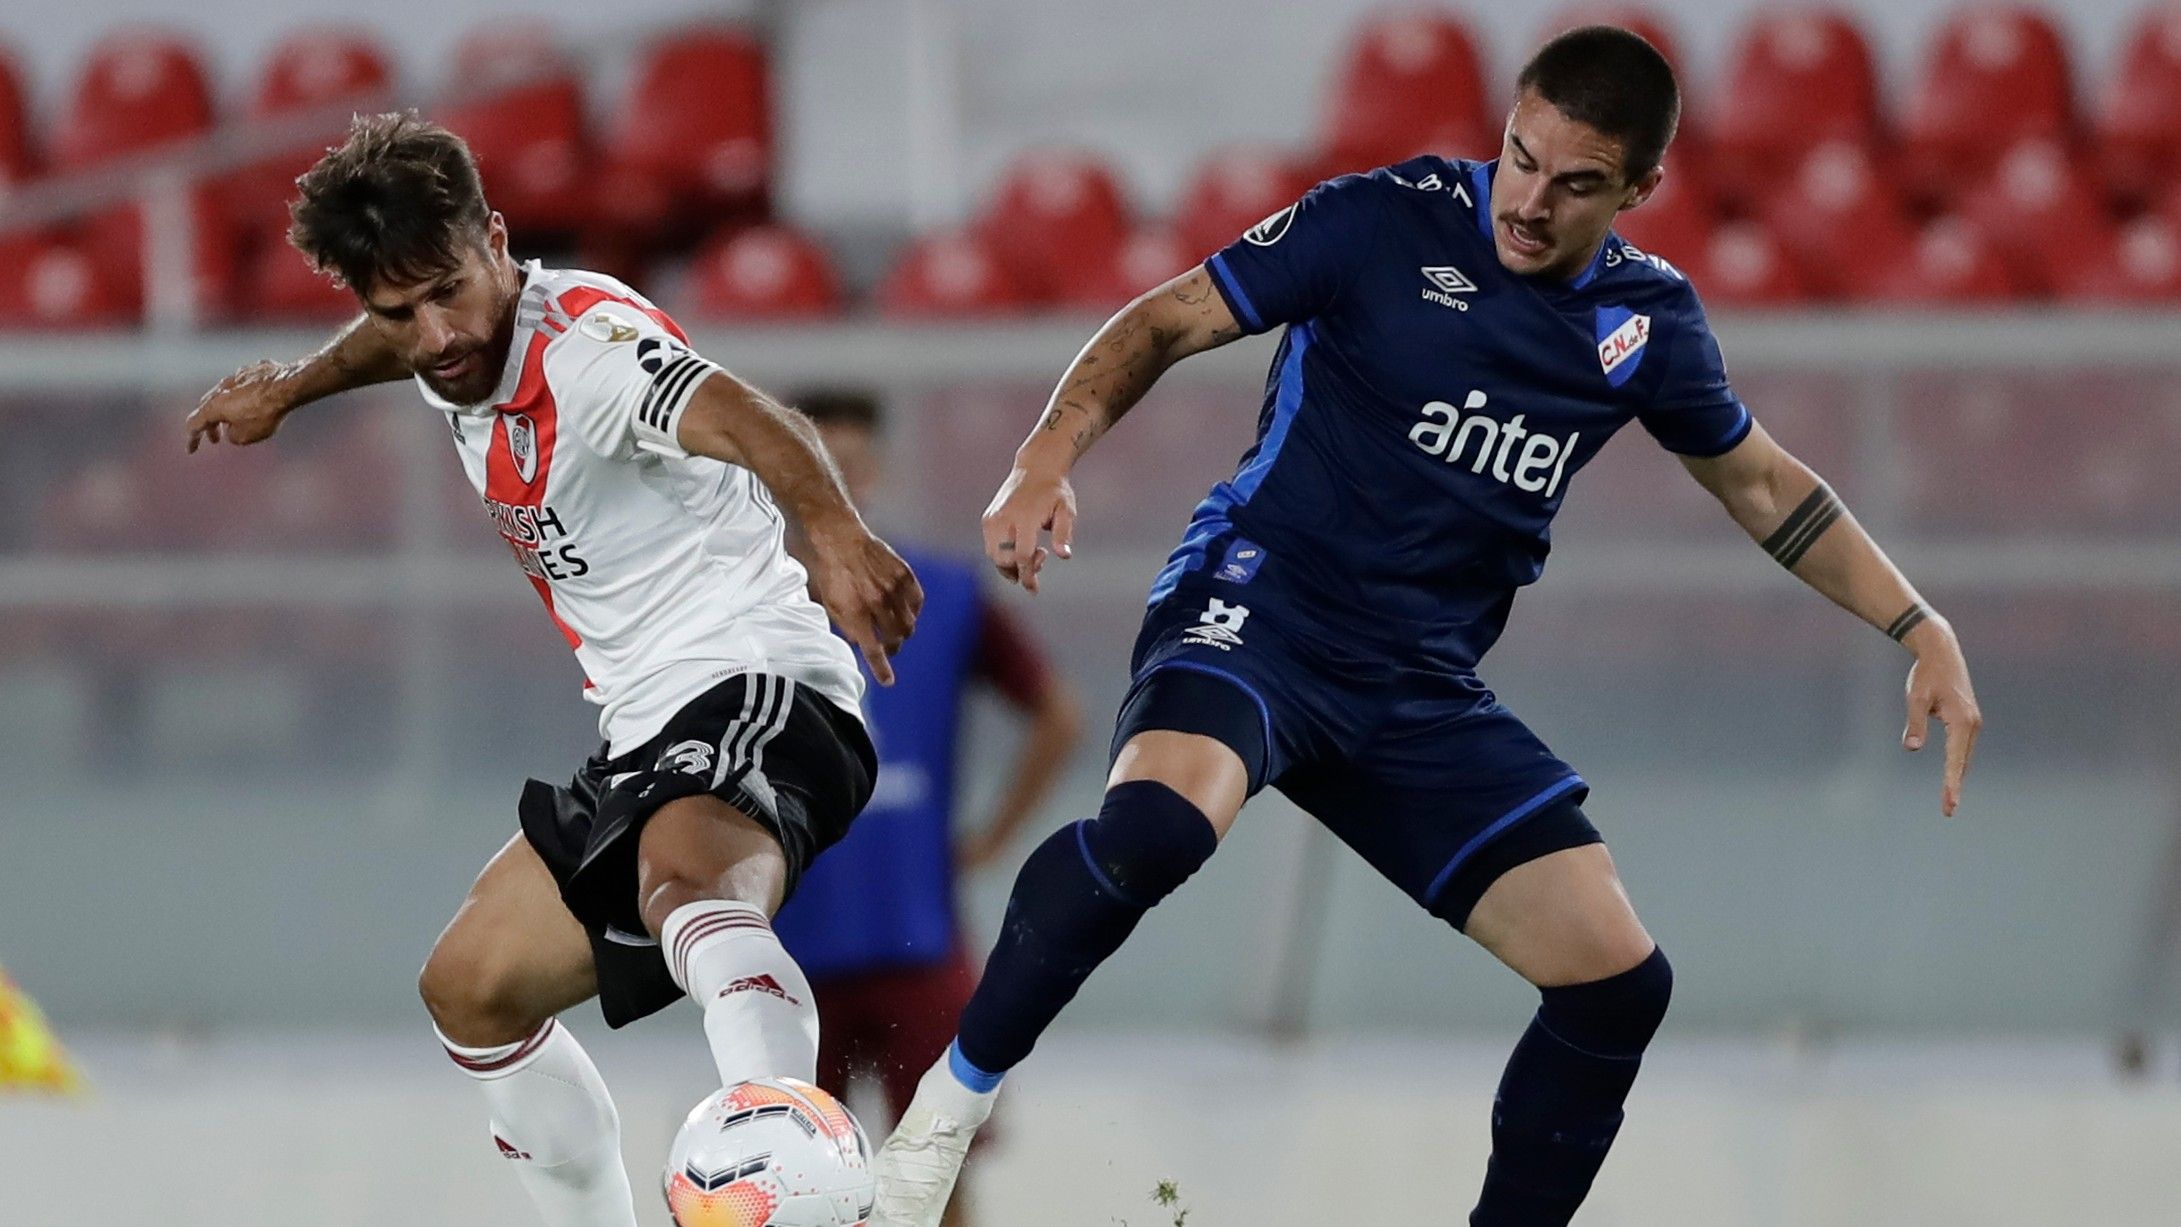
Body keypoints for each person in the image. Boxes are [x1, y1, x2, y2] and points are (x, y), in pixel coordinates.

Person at [868, 27, 1983, 1227]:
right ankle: (942, 1120)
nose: (1531, 200)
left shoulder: (1646, 326)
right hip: (1260, 602)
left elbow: (1763, 486)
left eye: (1576, 183)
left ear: (1640, 189)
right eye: (1520, 158)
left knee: (1616, 982)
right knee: (1157, 827)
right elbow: (1165, 321)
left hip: (1412, 686)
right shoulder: (1380, 220)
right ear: (1505, 125)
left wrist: (1919, 624)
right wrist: (1046, 455)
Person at [183, 112, 922, 1227]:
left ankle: (788, 1164)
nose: (434, 336)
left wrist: (833, 534)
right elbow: (398, 339)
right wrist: (291, 387)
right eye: (400, 309)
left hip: (758, 684)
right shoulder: (437, 331)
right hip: (644, 729)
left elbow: (755, 421)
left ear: (497, 235)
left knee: (688, 883)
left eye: (447, 290)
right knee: (472, 989)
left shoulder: (588, 346)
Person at [773, 390, 1085, 1227]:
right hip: (783, 950)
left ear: (874, 471)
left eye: (850, 464)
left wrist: (987, 839)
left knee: (934, 1176)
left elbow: (1058, 714)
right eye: (817, 468)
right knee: (780, 1186)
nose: (838, 485)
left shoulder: (939, 594)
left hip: (915, 935)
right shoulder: (741, 605)